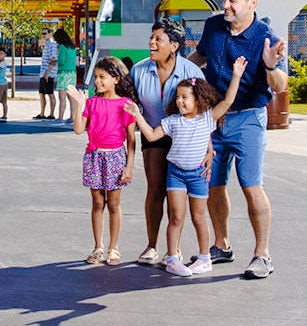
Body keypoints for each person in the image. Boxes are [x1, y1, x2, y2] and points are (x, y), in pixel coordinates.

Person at [187, 0, 289, 280]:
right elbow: (200, 56)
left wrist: (270, 65)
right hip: (213, 117)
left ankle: (262, 255)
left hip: (248, 119)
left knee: (250, 186)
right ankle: (221, 245)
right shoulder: (214, 26)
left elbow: (281, 86)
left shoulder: (265, 37)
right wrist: (176, 71)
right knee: (213, 185)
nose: (226, 4)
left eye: (233, 0)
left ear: (252, 3)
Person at [124, 59, 245, 277]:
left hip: (197, 176)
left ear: (198, 99)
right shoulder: (172, 121)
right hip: (176, 174)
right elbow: (151, 135)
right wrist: (137, 115)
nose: (179, 101)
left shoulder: (207, 119)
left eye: (184, 97)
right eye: (177, 97)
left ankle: (204, 258)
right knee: (176, 218)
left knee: (198, 217)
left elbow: (227, 101)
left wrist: (236, 75)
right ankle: (172, 259)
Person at [129, 18, 206, 266]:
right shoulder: (139, 71)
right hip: (153, 135)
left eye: (158, 39)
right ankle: (152, 245)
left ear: (174, 45)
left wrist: (209, 149)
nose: (151, 43)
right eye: (151, 38)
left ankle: (175, 249)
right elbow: (131, 109)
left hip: (186, 139)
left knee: (178, 197)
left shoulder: (192, 73)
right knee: (155, 189)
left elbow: (204, 114)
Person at [67, 57, 137, 266]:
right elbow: (79, 129)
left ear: (116, 79)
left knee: (114, 204)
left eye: (102, 77)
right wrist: (79, 105)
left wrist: (129, 166)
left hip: (116, 157)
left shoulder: (127, 105)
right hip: (94, 156)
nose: (97, 81)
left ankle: (113, 248)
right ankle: (98, 246)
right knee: (98, 203)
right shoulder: (91, 102)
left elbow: (132, 140)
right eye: (96, 77)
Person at [53, 28, 78, 123]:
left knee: (62, 97)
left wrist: (55, 62)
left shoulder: (62, 47)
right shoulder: (72, 47)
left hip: (63, 73)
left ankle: (60, 117)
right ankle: (72, 117)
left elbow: (62, 61)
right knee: (71, 97)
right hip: (72, 73)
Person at [34, 28, 57, 120]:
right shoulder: (46, 44)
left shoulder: (52, 45)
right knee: (41, 93)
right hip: (43, 73)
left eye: (45, 33)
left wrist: (47, 74)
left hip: (48, 74)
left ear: (50, 33)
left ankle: (52, 114)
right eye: (42, 33)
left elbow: (53, 59)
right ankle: (42, 113)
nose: (43, 35)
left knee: (50, 94)